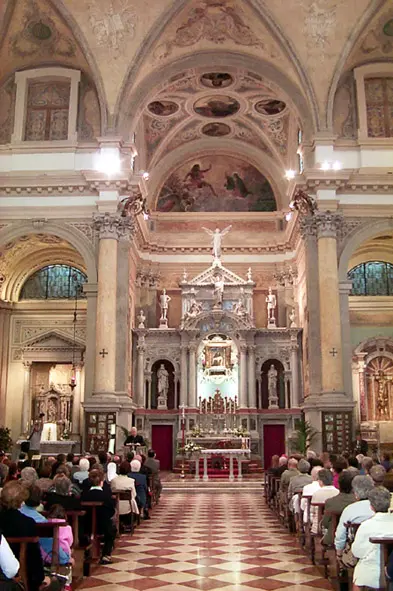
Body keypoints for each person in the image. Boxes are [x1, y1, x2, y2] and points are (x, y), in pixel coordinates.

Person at [0, 481, 46, 591]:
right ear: (21, 502)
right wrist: (41, 578)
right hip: (22, 572)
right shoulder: (28, 523)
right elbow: (34, 555)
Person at [352, 487, 393, 590]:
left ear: (371, 506)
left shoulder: (366, 525)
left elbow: (357, 552)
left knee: (359, 575)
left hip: (371, 572)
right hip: (390, 570)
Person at [81, 469, 116, 565]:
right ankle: (106, 555)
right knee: (112, 530)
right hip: (103, 526)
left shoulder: (84, 495)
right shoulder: (106, 495)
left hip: (86, 524)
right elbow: (111, 511)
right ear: (102, 481)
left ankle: (86, 552)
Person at [335, 475, 375, 555]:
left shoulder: (349, 510)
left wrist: (339, 552)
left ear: (355, 492)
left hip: (355, 553)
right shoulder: (379, 507)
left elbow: (340, 534)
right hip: (379, 552)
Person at [321, 471, 355, 546]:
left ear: (338, 485)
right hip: (354, 538)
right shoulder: (357, 502)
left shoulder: (330, 502)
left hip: (333, 537)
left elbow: (325, 523)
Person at [310, 469, 340, 534]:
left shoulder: (316, 494)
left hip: (318, 527)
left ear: (320, 481)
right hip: (335, 527)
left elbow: (312, 511)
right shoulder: (338, 492)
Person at [110, 461, 138, 531]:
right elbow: (134, 495)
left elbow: (111, 493)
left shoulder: (114, 480)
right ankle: (129, 522)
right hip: (128, 507)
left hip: (116, 506)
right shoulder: (131, 481)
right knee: (134, 501)